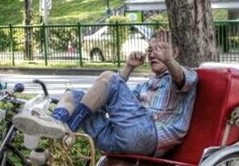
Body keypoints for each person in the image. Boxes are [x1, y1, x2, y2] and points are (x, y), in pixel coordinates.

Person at [14, 29, 197, 156]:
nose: (152, 54)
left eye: (158, 49)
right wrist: (128, 68)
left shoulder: (185, 75)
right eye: (149, 50)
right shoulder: (146, 84)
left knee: (109, 76)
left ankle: (67, 129)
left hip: (149, 136)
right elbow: (112, 96)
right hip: (118, 136)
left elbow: (182, 79)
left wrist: (169, 60)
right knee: (74, 95)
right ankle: (56, 128)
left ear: (175, 52)